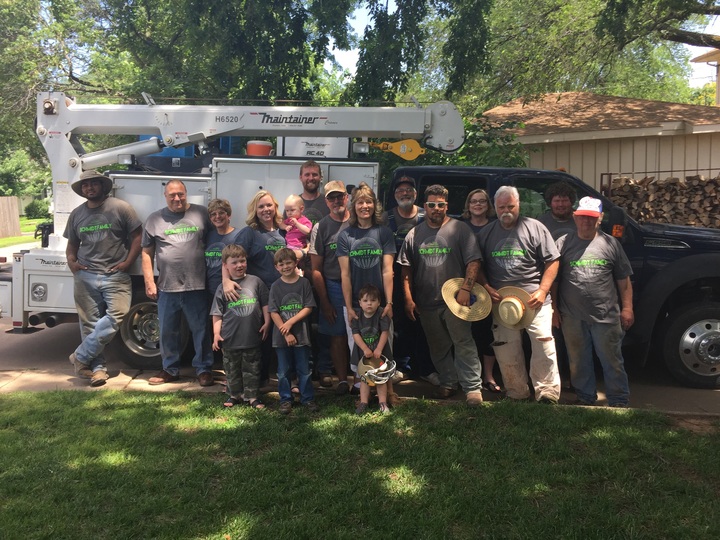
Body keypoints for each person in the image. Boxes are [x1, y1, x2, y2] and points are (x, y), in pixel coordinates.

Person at [397, 184, 486, 407]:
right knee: (438, 346)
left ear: (446, 206)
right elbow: (406, 269)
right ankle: (448, 383)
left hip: (455, 301)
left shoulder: (460, 229)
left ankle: (473, 388)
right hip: (426, 302)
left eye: (440, 205)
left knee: (463, 342)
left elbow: (473, 261)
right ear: (424, 206)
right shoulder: (414, 233)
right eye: (431, 205)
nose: (436, 209)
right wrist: (408, 298)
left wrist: (466, 289)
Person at [477, 185, 561, 403]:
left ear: (519, 205)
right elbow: (477, 265)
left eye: (511, 206)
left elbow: (553, 260)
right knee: (506, 349)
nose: (507, 211)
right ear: (495, 207)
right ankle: (516, 392)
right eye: (502, 206)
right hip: (503, 303)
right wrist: (486, 287)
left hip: (535, 300)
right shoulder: (486, 233)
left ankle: (547, 393)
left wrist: (543, 290)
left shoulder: (535, 228)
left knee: (544, 345)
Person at [64, 169, 142, 387]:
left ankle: (80, 355)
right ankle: (98, 370)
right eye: (85, 185)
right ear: (82, 190)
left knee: (117, 315)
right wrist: (72, 262)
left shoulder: (120, 208)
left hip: (115, 274)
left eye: (93, 184)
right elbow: (72, 244)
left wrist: (127, 262)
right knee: (89, 324)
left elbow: (138, 236)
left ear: (102, 186)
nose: (89, 188)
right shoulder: (77, 214)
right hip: (85, 275)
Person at [553, 197, 633, 407]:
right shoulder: (563, 243)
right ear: (575, 217)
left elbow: (623, 279)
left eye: (591, 218)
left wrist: (627, 308)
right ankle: (585, 397)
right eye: (582, 217)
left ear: (600, 219)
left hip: (605, 315)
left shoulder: (610, 243)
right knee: (578, 361)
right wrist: (553, 308)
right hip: (571, 315)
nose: (586, 222)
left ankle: (618, 400)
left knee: (612, 360)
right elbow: (554, 278)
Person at [141, 179, 215, 386]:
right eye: (172, 195)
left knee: (200, 330)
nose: (177, 198)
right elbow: (146, 253)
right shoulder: (154, 219)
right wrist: (149, 281)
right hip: (167, 286)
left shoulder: (201, 214)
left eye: (180, 194)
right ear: (165, 196)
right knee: (167, 331)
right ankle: (170, 369)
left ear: (186, 194)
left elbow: (217, 237)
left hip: (197, 285)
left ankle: (203, 369)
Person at [337, 182, 396, 397]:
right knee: (358, 345)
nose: (365, 206)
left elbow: (388, 270)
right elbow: (345, 274)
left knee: (383, 344)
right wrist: (349, 307)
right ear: (353, 207)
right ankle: (362, 391)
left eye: (369, 201)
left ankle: (387, 392)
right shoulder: (345, 236)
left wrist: (389, 303)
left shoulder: (384, 232)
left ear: (375, 206)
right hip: (356, 304)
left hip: (380, 304)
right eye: (360, 202)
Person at [386, 175, 439, 386]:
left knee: (426, 324)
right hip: (396, 279)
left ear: (416, 194)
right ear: (395, 195)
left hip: (425, 278)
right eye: (400, 190)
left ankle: (426, 368)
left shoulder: (427, 216)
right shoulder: (386, 218)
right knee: (401, 324)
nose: (404, 193)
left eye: (409, 190)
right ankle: (403, 367)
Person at [211, 244, 270, 409]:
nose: (239, 265)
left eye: (242, 261)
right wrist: (216, 334)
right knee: (232, 369)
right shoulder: (221, 288)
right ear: (226, 266)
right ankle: (233, 395)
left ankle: (252, 397)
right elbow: (217, 313)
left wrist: (267, 322)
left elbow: (265, 304)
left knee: (252, 368)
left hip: (252, 336)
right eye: (234, 262)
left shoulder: (255, 282)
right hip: (230, 338)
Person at [309, 181, 352, 394]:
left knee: (364, 331)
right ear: (326, 201)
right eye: (332, 198)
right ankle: (343, 381)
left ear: (347, 197)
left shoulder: (359, 221)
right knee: (337, 334)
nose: (336, 201)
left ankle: (363, 379)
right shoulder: (320, 227)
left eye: (340, 196)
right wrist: (324, 301)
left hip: (360, 285)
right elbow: (316, 268)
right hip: (334, 285)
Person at [269, 248, 319, 414]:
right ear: (276, 267)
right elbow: (273, 312)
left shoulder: (303, 283)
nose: (285, 266)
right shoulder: (275, 286)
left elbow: (308, 307)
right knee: (283, 371)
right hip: (281, 337)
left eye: (288, 262)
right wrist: (286, 332)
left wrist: (290, 323)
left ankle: (308, 399)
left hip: (301, 335)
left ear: (295, 263)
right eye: (281, 264)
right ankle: (285, 399)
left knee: (304, 369)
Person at [462, 188, 502, 394]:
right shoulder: (461, 227)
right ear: (468, 205)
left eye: (482, 201)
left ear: (489, 206)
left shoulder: (496, 227)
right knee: (468, 333)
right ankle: (471, 377)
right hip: (467, 289)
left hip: (493, 287)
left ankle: (488, 376)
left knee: (489, 333)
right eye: (473, 201)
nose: (477, 205)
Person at [351, 284, 393, 415]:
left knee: (381, 379)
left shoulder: (381, 314)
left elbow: (385, 332)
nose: (369, 304)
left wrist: (379, 349)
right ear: (360, 303)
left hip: (379, 353)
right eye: (365, 301)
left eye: (373, 300)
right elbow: (356, 334)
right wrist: (364, 348)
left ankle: (383, 403)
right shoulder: (357, 317)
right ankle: (364, 402)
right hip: (364, 354)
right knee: (364, 379)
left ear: (379, 302)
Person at [205, 198, 241, 302]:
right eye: (213, 214)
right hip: (210, 290)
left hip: (232, 290)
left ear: (228, 215)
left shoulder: (239, 235)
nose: (217, 217)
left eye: (221, 213)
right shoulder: (208, 236)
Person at [297, 160, 330, 226]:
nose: (311, 178)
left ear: (320, 177)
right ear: (301, 178)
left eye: (314, 175)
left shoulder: (329, 202)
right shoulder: (293, 203)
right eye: (307, 175)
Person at [281, 194, 313, 260]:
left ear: (301, 209)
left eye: (292, 210)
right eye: (287, 210)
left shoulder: (304, 220)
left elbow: (307, 231)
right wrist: (285, 227)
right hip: (288, 245)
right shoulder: (289, 220)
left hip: (299, 246)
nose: (289, 213)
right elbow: (280, 224)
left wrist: (297, 223)